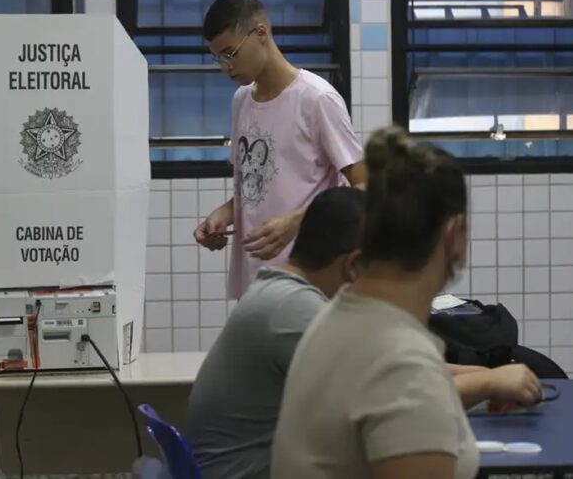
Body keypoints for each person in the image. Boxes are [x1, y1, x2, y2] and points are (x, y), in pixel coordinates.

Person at [188, 186, 542, 479]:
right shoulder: (293, 311)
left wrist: (490, 374)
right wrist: (490, 384)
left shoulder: (282, 294)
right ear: (354, 266)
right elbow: (401, 393)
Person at [271, 127, 543, 479]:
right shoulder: (403, 363)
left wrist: (485, 381)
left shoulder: (336, 320)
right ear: (454, 234)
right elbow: (403, 382)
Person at [192, 0, 366, 298]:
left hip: (310, 282)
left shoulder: (316, 100)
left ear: (261, 34)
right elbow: (256, 186)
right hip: (255, 282)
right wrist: (224, 214)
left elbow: (366, 187)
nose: (226, 67)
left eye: (230, 53)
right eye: (218, 57)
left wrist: (297, 221)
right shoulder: (242, 101)